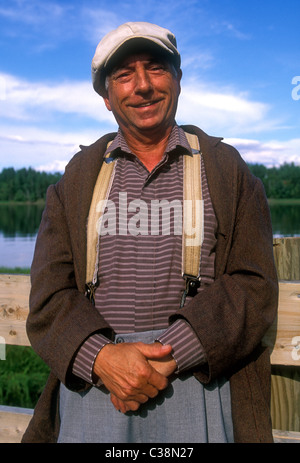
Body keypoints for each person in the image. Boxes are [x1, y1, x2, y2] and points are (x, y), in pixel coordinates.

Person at [22, 22, 278, 443]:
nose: (142, 86)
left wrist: (175, 351)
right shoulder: (79, 176)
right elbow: (49, 294)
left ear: (177, 80)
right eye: (124, 75)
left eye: (156, 68)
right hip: (98, 388)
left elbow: (255, 286)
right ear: (106, 96)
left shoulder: (225, 168)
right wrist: (100, 356)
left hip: (198, 381)